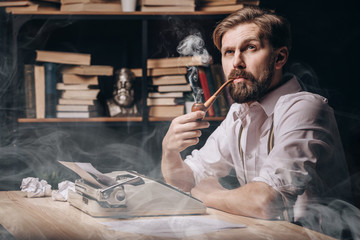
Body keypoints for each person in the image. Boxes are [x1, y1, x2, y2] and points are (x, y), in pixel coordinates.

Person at [161, 6, 352, 231]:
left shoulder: (306, 108)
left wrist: (210, 194)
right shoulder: (238, 114)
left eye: (250, 48)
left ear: (279, 57)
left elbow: (265, 203)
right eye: (228, 52)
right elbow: (185, 181)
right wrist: (170, 151)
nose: (237, 63)